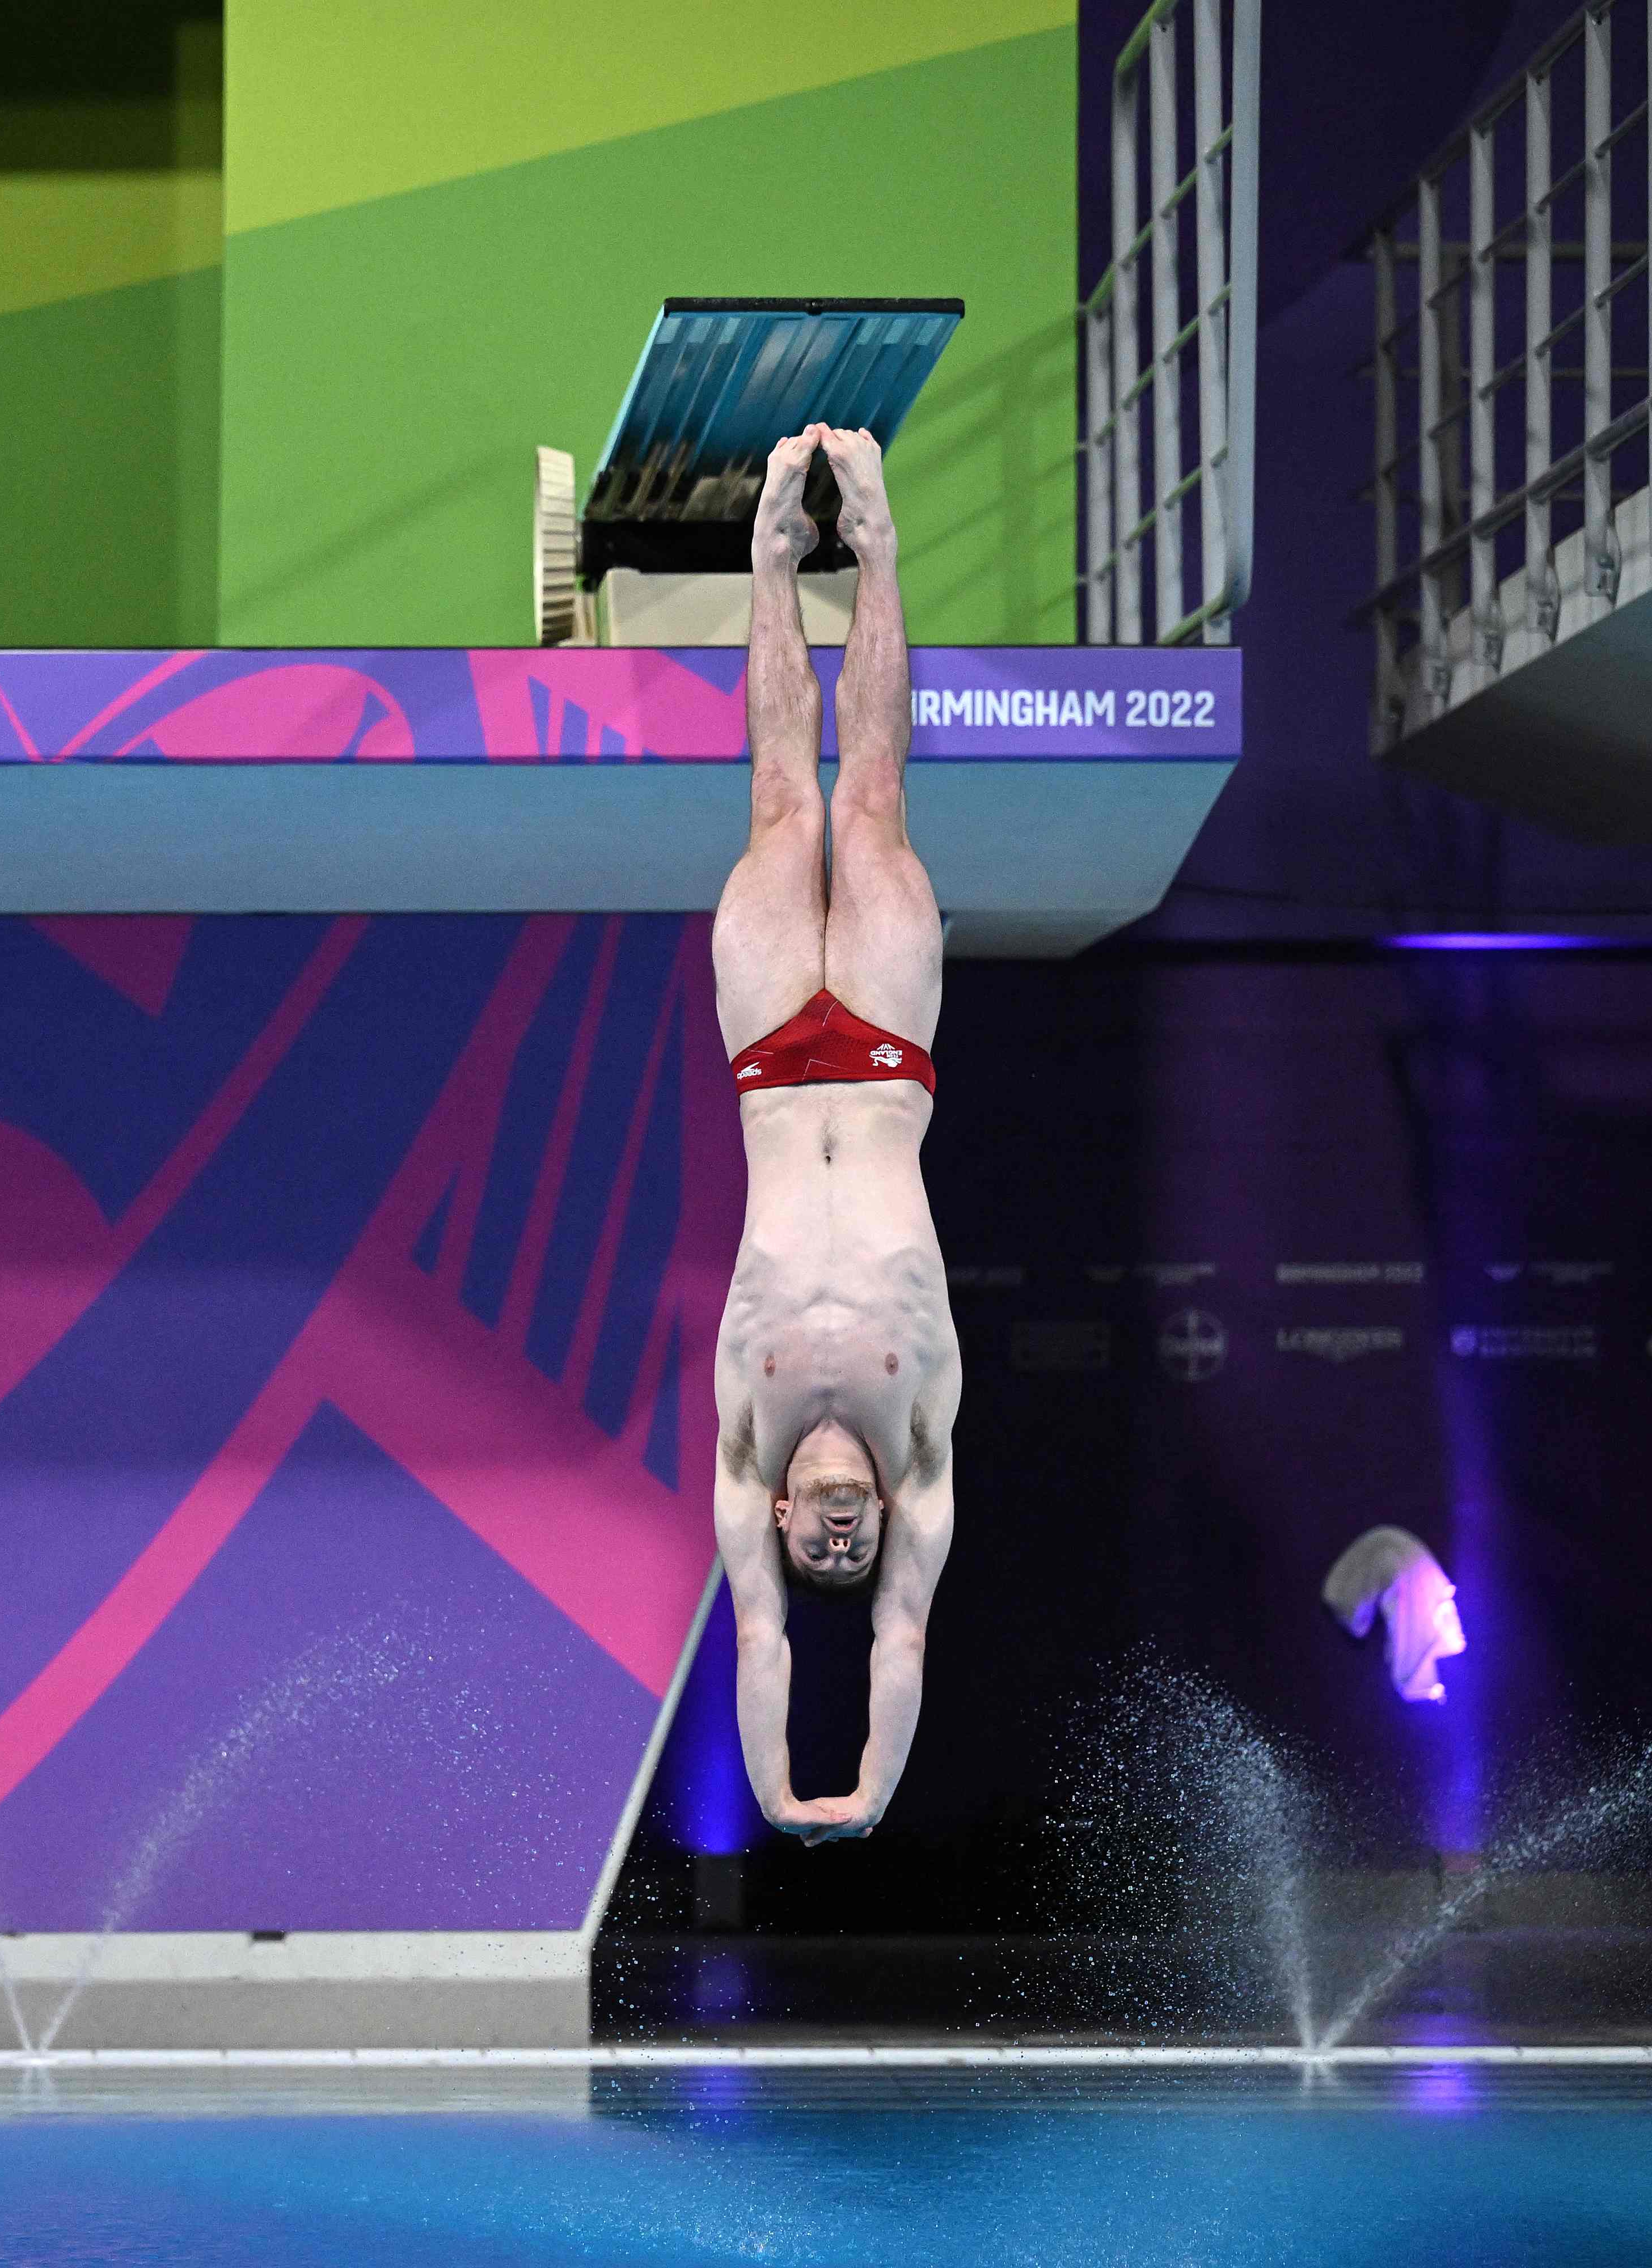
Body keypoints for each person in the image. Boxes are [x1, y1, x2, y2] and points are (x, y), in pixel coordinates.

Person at [707, 424, 960, 1846]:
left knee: (776, 796)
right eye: (851, 1552)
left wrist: (771, 1792)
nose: (846, 1542)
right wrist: (861, 1790)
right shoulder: (918, 1461)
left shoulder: (745, 1458)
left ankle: (767, 559)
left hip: (764, 1062)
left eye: (826, 1548)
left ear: (790, 1530)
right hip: (879, 1055)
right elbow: (898, 1646)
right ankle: (873, 545)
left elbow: (761, 1643)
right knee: (866, 800)